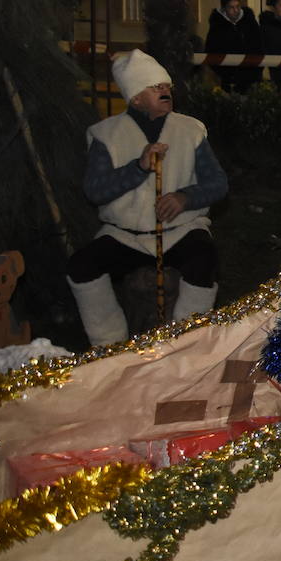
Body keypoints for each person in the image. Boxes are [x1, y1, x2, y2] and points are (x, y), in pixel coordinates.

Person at [66, 50, 228, 345]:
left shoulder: (190, 130)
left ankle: (184, 341)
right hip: (125, 235)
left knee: (203, 259)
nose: (166, 92)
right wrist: (138, 168)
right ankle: (110, 343)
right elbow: (95, 190)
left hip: (180, 230)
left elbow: (218, 183)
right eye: (156, 87)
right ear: (136, 97)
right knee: (82, 266)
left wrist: (184, 198)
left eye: (167, 87)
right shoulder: (107, 135)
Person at [204, 0, 263, 93]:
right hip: (228, 77)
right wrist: (224, 73)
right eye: (231, 7)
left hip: (250, 75)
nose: (235, 10)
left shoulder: (249, 22)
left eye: (237, 6)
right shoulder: (217, 26)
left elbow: (259, 45)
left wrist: (256, 70)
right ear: (224, 9)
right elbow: (211, 49)